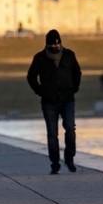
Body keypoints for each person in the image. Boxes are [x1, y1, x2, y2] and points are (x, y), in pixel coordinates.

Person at [26, 29, 82, 174]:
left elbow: (77, 72)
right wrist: (40, 91)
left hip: (67, 99)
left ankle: (69, 158)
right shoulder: (39, 58)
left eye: (57, 45)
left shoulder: (69, 55)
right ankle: (55, 163)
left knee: (70, 129)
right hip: (49, 101)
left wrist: (74, 88)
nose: (55, 47)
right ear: (47, 45)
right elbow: (31, 77)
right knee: (52, 134)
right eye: (52, 45)